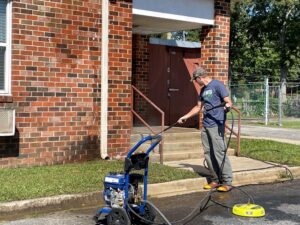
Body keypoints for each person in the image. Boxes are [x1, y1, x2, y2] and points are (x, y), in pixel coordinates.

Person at [177, 67, 233, 192]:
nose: (195, 82)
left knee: (219, 153)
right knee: (208, 153)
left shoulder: (217, 85)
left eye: (195, 80)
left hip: (216, 125)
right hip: (206, 125)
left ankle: (227, 181)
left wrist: (227, 107)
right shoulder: (203, 90)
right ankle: (215, 180)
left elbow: (228, 102)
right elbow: (198, 107)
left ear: (200, 77)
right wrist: (185, 117)